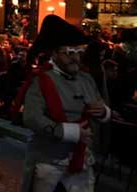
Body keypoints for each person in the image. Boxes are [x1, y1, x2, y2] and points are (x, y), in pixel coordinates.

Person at [19, 15, 111, 192]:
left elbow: (99, 103)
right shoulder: (41, 80)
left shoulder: (86, 78)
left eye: (78, 52)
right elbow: (31, 117)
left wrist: (103, 112)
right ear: (55, 53)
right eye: (69, 53)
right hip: (49, 162)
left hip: (82, 159)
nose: (75, 58)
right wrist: (70, 132)